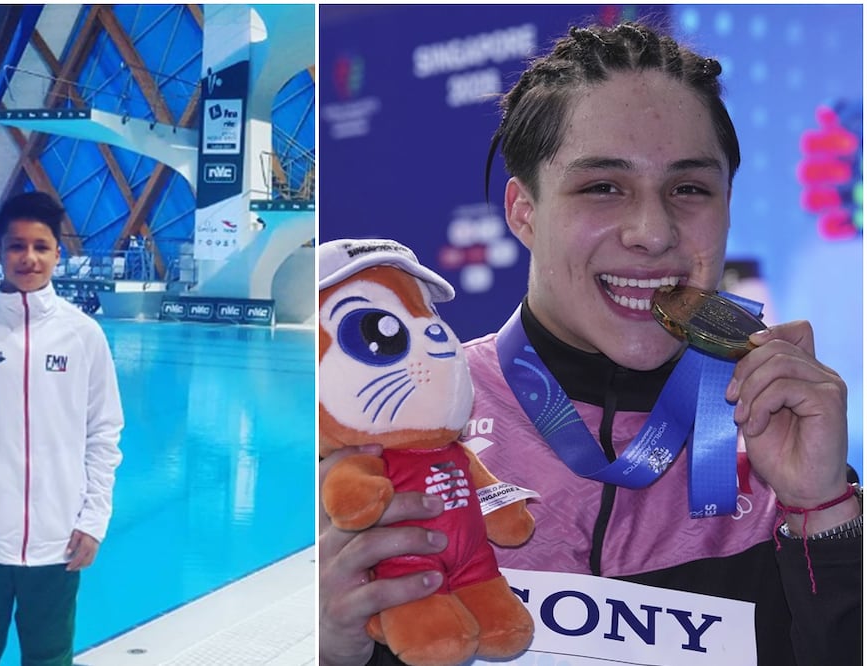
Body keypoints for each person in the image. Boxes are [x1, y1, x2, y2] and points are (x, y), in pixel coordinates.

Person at [319, 21, 862, 666]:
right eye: (602, 186)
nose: (652, 232)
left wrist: (824, 516)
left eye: (689, 189)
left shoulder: (773, 431)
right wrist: (326, 648)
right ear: (523, 211)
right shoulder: (396, 422)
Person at [0, 191, 124, 665]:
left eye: (40, 246)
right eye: (16, 246)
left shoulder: (83, 336)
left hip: (59, 542)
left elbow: (104, 434)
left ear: (58, 253)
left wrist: (93, 520)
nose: (28, 258)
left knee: (50, 658)